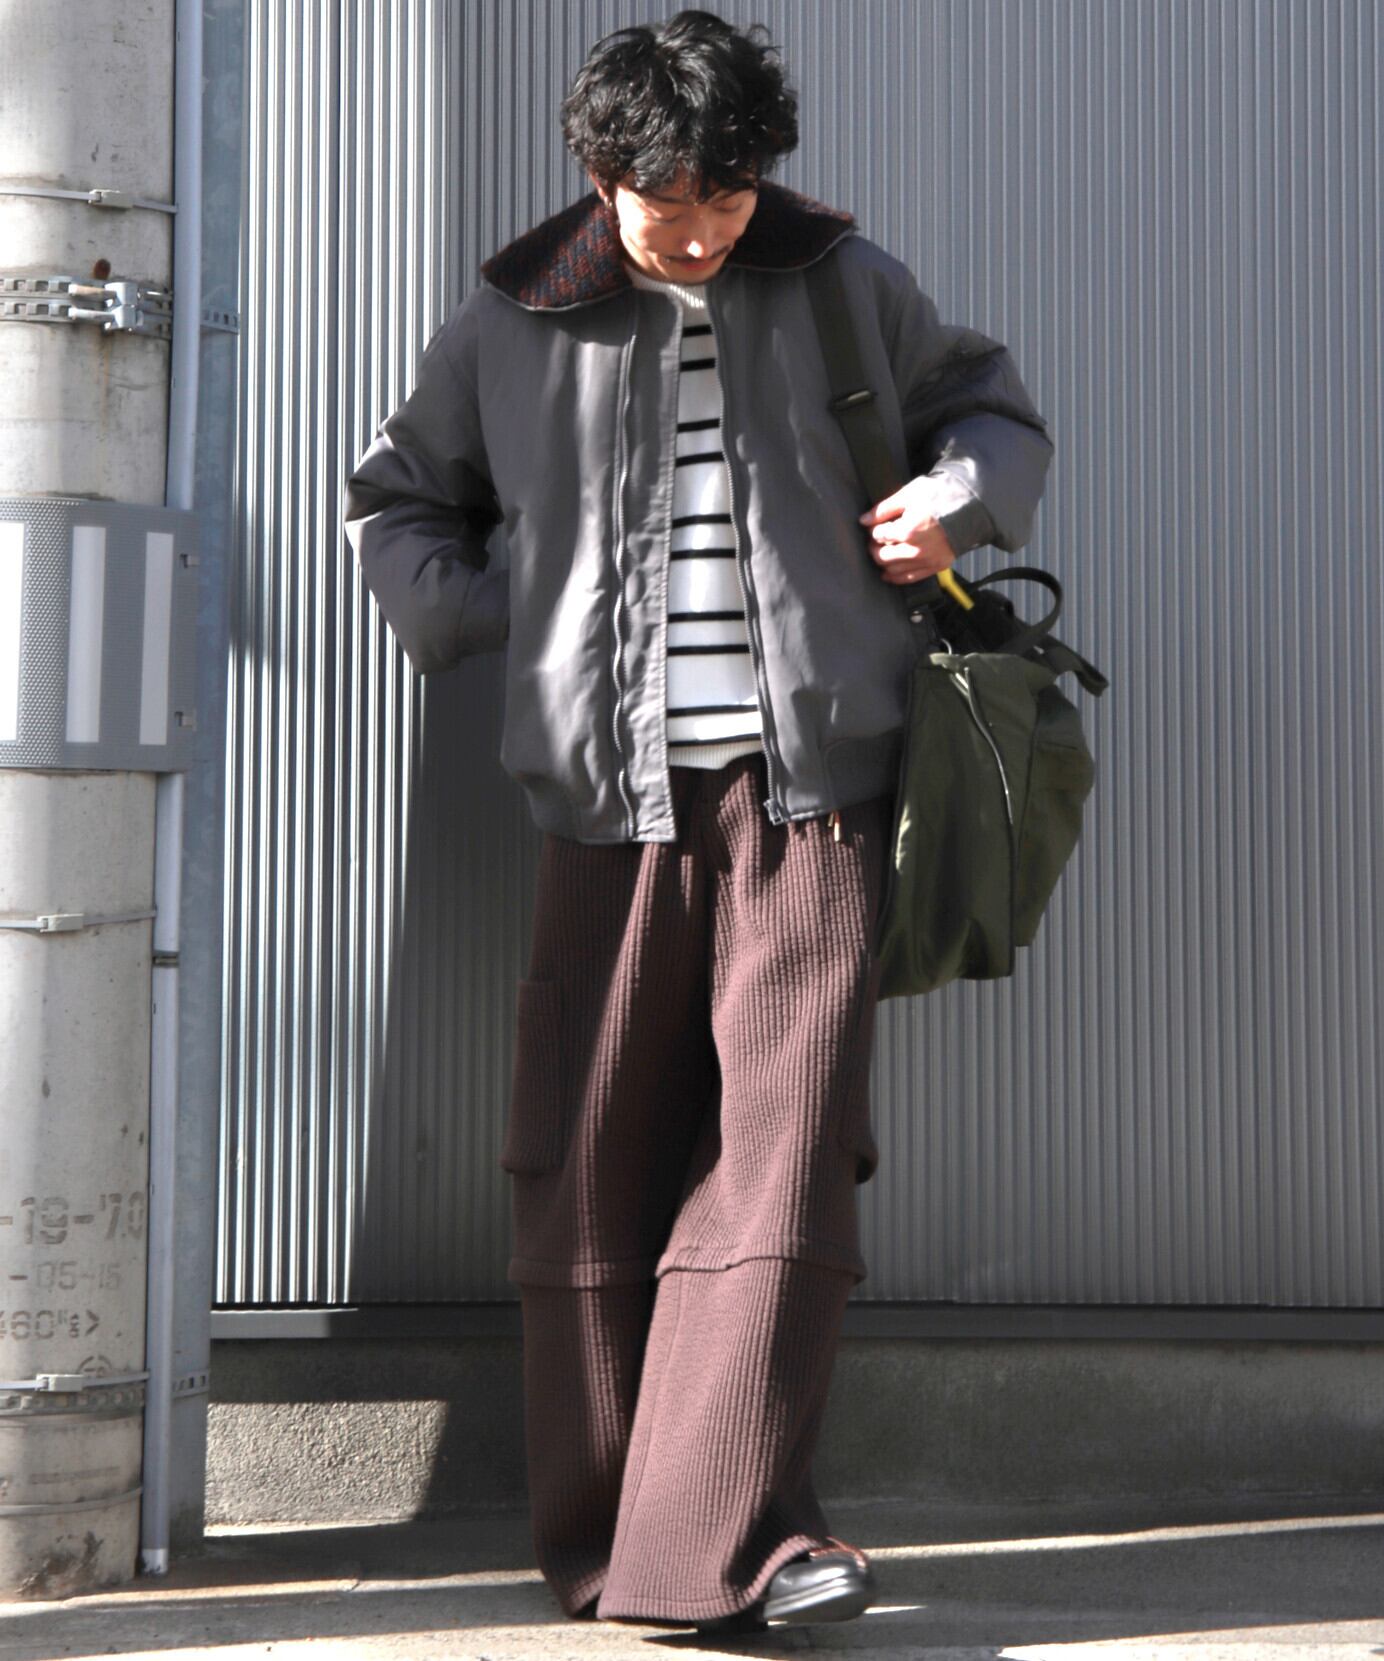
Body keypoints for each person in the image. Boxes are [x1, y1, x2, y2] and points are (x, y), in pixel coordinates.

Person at [344, 7, 1052, 1634]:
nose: (704, 229)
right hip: (607, 798)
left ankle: (743, 1543)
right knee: (587, 1156)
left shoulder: (842, 280)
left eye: (730, 197)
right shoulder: (516, 311)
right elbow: (399, 500)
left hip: (818, 793)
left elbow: (988, 411)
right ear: (600, 175)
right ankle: (613, 1547)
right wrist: (504, 621)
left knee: (787, 1156)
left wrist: (951, 502)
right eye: (670, 203)